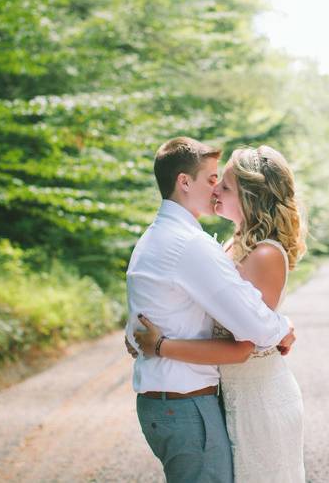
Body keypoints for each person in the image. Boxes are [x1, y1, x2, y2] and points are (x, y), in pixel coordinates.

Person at [124, 137, 296, 483]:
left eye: (224, 183)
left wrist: (150, 343)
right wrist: (283, 327)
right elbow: (257, 331)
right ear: (184, 182)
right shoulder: (190, 244)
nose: (216, 188)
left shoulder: (159, 236)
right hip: (187, 403)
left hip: (214, 399)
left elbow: (246, 336)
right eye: (212, 179)